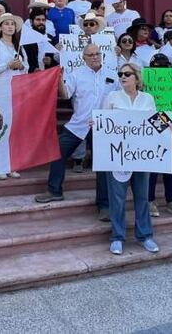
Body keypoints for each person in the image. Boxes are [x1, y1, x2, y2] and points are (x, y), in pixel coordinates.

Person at [36, 44, 114, 222]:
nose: (94, 57)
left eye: (97, 53)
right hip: (79, 124)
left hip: (102, 125)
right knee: (58, 153)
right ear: (84, 57)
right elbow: (65, 95)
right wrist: (60, 80)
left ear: (101, 55)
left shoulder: (112, 75)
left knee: (102, 166)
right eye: (90, 54)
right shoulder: (76, 74)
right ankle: (54, 191)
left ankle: (104, 205)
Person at [103, 62, 160, 255]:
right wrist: (97, 123)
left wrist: (167, 126)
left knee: (142, 197)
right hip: (118, 155)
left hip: (142, 155)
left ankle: (145, 235)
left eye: (127, 73)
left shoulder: (147, 98)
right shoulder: (112, 96)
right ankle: (118, 237)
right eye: (120, 74)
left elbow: (156, 121)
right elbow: (104, 123)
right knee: (117, 198)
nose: (123, 77)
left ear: (137, 77)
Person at [145, 54, 172, 217]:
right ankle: (150, 199)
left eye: (164, 65)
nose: (161, 68)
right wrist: (164, 122)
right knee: (154, 165)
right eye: (157, 66)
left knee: (171, 166)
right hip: (156, 128)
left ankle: (171, 200)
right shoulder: (147, 84)